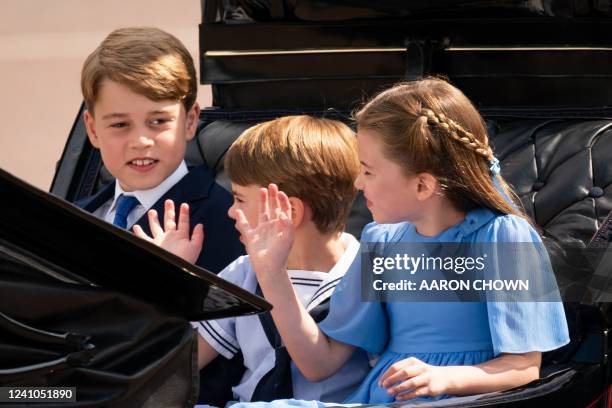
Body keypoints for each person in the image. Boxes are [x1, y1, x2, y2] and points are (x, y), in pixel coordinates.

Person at [226, 78, 570, 405]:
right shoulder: (382, 243)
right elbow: (319, 364)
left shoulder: (502, 238)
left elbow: (524, 368)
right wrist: (271, 273)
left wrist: (444, 379)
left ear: (422, 185)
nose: (358, 183)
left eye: (369, 171)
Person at [137, 115, 370, 403]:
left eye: (240, 200)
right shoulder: (243, 273)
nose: (231, 211)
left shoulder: (364, 274)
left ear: (290, 212)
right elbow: (176, 363)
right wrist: (171, 282)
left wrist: (271, 273)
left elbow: (317, 367)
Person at [75, 27, 243, 273]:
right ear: (92, 129)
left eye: (158, 121)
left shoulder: (230, 224)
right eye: (120, 124)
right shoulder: (72, 216)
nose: (141, 141)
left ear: (189, 121)